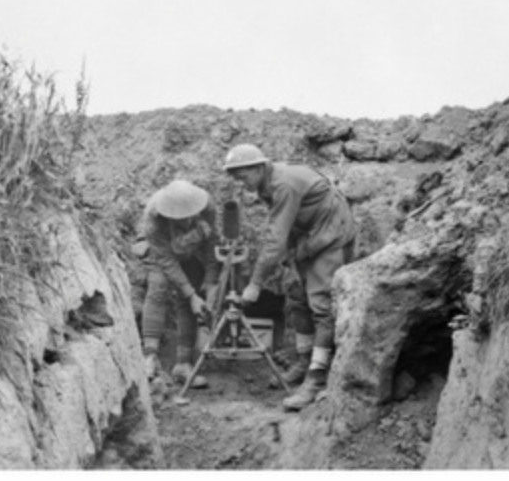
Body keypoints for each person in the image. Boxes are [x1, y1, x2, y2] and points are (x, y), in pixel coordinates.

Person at [223, 144, 356, 410]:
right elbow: (285, 228)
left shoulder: (283, 184)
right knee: (295, 293)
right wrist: (291, 257)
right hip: (306, 234)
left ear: (259, 167)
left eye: (243, 176)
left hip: (331, 233)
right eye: (236, 177)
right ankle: (304, 360)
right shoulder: (266, 184)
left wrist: (255, 283)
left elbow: (275, 240)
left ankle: (316, 377)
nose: (241, 183)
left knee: (320, 303)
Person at [139, 179, 219, 388]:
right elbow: (166, 260)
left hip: (193, 251)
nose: (184, 222)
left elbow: (212, 244)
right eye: (178, 219)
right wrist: (191, 294)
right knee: (158, 288)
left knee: (188, 300)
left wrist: (210, 281)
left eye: (188, 217)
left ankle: (183, 364)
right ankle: (150, 357)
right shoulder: (153, 217)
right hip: (163, 253)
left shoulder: (207, 206)